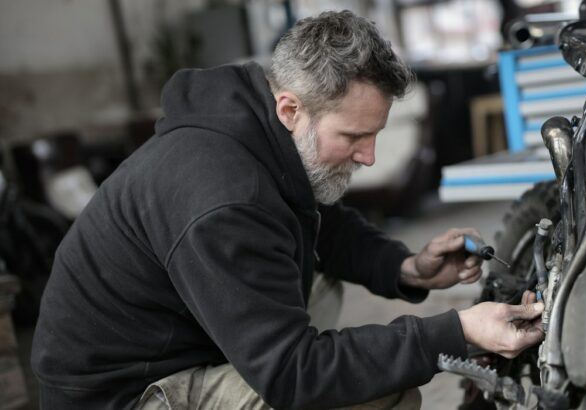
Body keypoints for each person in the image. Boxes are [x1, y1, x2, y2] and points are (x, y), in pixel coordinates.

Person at [31, 10, 544, 410]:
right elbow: (294, 374)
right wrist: (457, 331)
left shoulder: (258, 131)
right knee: (381, 394)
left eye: (375, 135)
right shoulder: (224, 198)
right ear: (291, 109)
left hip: (174, 340)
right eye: (354, 136)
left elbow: (318, 220)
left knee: (326, 280)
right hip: (125, 393)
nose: (368, 156)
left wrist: (406, 267)